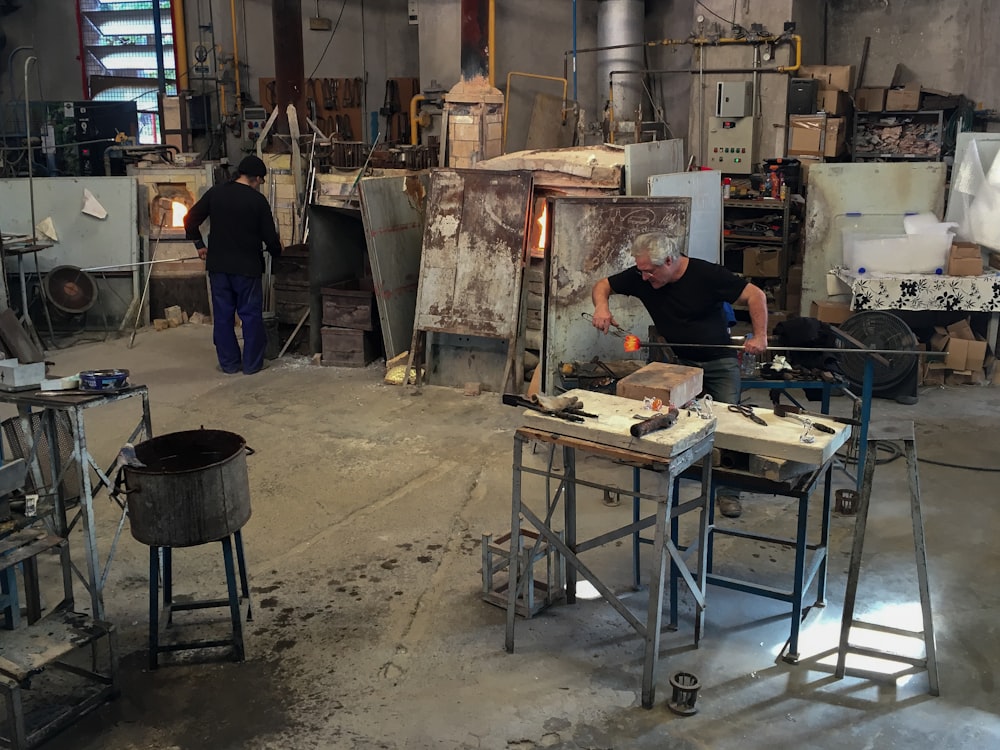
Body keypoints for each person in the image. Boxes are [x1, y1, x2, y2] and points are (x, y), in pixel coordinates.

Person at [590, 231, 769, 518]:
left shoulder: (707, 274)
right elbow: (603, 285)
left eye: (650, 271)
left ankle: (728, 492)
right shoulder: (643, 274)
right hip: (680, 363)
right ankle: (681, 472)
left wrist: (760, 335)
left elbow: (755, 295)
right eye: (641, 271)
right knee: (677, 420)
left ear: (670, 261)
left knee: (727, 424)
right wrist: (602, 306)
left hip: (719, 361)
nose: (644, 278)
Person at [185, 155, 282, 375]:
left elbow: (190, 219)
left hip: (218, 266)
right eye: (261, 181)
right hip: (247, 268)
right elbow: (270, 237)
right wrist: (278, 253)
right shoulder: (257, 201)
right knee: (250, 317)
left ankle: (228, 364)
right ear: (256, 178)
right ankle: (252, 364)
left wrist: (199, 244)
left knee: (223, 316)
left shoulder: (216, 193)